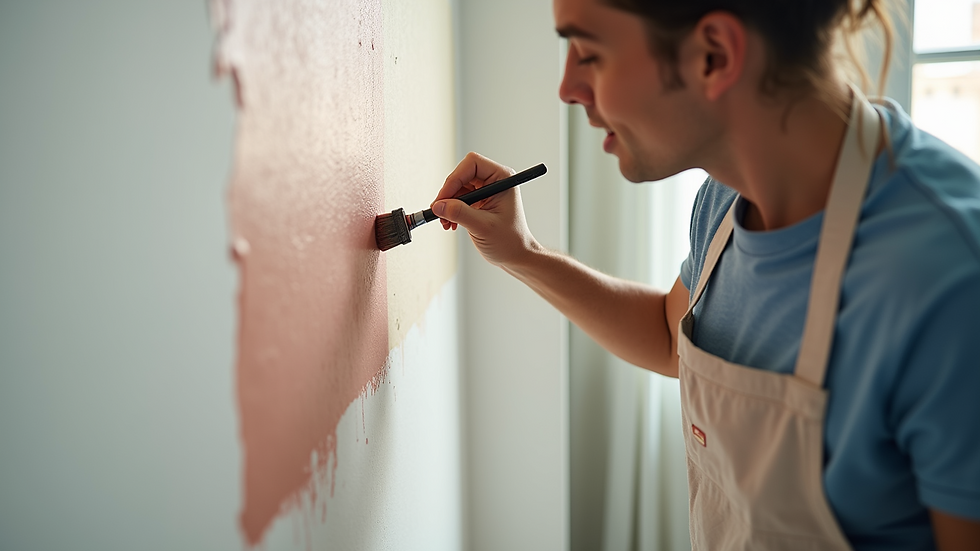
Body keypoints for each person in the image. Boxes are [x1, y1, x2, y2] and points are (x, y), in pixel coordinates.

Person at [431, 0, 980, 549]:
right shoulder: (723, 201)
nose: (568, 88)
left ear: (715, 55)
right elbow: (674, 338)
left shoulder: (950, 278)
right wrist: (522, 252)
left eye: (590, 53)